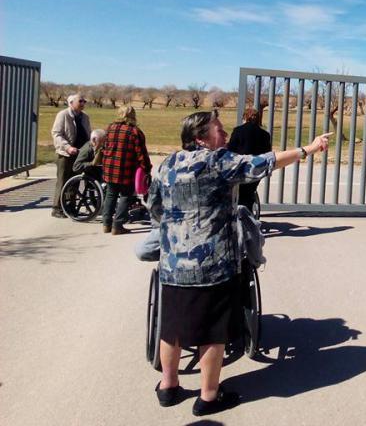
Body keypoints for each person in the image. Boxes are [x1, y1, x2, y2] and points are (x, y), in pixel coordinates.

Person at [147, 110, 330, 416]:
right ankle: (208, 396)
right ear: (201, 138)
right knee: (212, 333)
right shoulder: (218, 161)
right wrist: (308, 149)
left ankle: (168, 387)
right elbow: (266, 162)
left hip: (173, 264)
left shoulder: (168, 164)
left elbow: (154, 207)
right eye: (219, 130)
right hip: (212, 266)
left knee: (171, 329)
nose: (226, 136)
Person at [101, 105, 151, 235]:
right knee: (125, 196)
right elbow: (141, 154)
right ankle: (117, 225)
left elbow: (104, 147)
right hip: (126, 169)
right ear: (133, 115)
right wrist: (147, 168)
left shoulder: (110, 128)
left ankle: (106, 223)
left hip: (110, 168)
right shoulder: (134, 132)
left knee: (110, 194)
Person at [51, 93, 92, 218]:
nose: (83, 103)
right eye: (80, 101)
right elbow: (56, 134)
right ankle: (57, 208)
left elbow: (88, 133)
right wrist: (67, 147)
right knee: (63, 180)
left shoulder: (85, 117)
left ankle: (71, 207)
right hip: (65, 154)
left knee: (75, 181)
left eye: (84, 101)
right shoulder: (63, 115)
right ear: (71, 103)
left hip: (80, 154)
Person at [226, 107, 271, 211]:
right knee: (249, 193)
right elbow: (267, 153)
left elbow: (231, 149)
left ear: (245, 117)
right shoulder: (265, 135)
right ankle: (248, 215)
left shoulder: (238, 131)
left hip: (240, 168)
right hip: (256, 169)